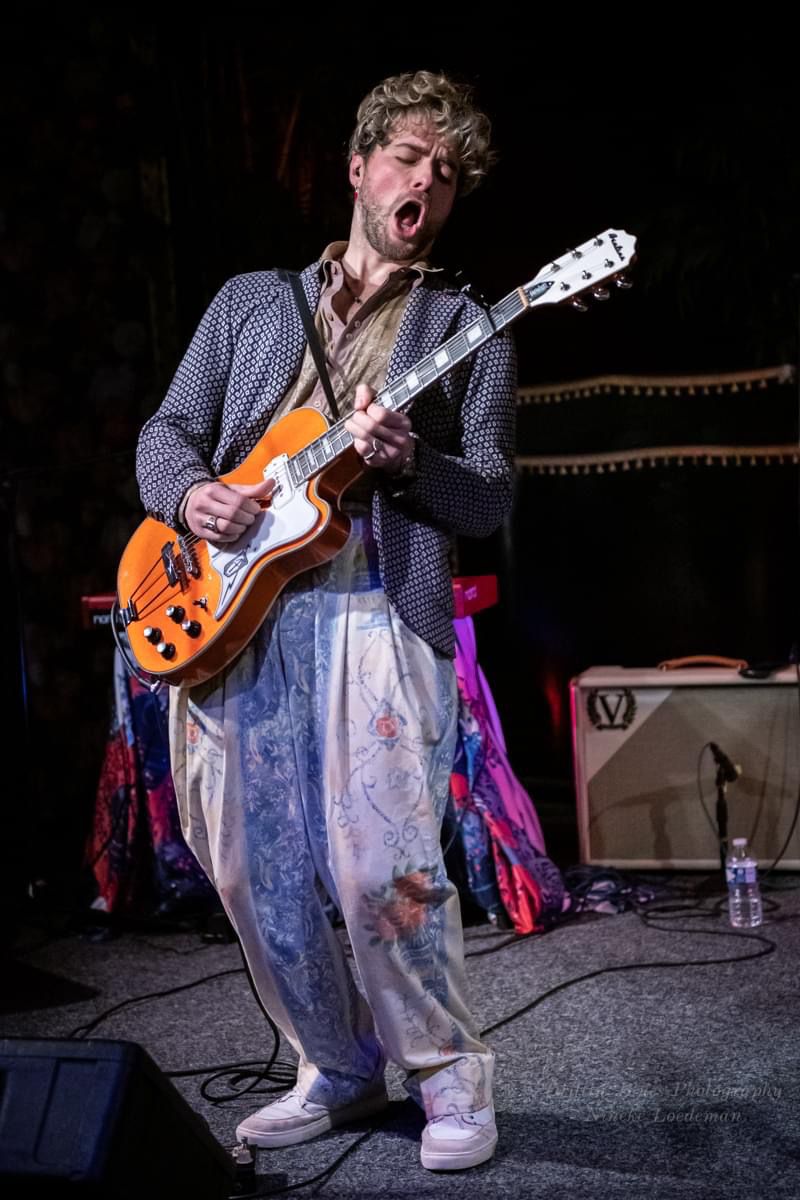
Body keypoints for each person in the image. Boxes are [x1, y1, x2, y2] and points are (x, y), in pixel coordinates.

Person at [136, 69, 516, 1172]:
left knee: (380, 867)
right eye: (406, 156)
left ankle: (446, 1078)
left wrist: (412, 464)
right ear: (356, 169)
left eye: (445, 173)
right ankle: (337, 1069)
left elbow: (488, 497)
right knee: (255, 866)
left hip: (370, 606)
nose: (424, 180)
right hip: (232, 614)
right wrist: (188, 495)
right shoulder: (249, 300)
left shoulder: (468, 327)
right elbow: (167, 432)